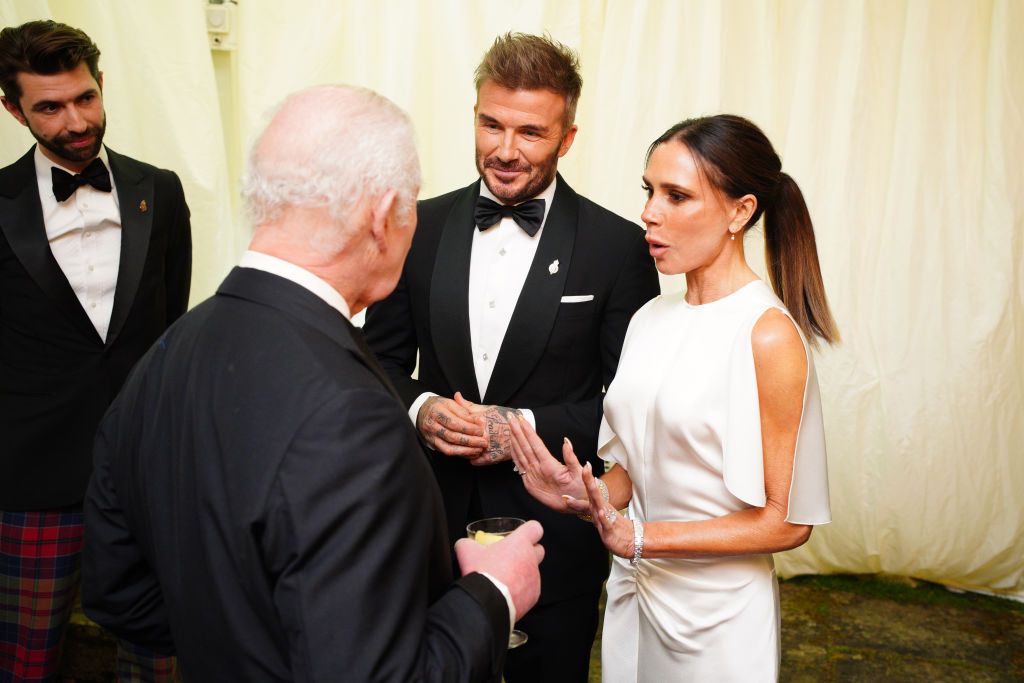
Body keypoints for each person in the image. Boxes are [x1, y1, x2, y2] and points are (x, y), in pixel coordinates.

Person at [81, 84, 546, 682]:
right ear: (384, 216)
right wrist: (493, 591)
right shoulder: (350, 415)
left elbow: (117, 593)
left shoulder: (168, 353)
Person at [363, 32, 660, 682]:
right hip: (429, 525)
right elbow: (373, 360)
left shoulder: (618, 248)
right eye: (491, 123)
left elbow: (629, 407)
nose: (504, 149)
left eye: (529, 132)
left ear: (568, 137)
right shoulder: (419, 223)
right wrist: (420, 406)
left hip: (556, 536)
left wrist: (517, 427)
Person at [508, 114, 839, 681]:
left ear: (741, 210)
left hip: (717, 620)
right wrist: (582, 494)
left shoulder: (766, 333)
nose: (649, 213)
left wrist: (640, 538)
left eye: (677, 196)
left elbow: (788, 523)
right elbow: (635, 478)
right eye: (649, 191)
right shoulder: (649, 319)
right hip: (634, 598)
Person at [0, 20, 191, 681]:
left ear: (101, 85)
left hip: (146, 470)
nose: (76, 120)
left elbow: (171, 329)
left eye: (84, 97)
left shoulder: (159, 191)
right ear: (12, 108)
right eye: (49, 107)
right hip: (29, 478)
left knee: (160, 657)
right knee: (23, 659)